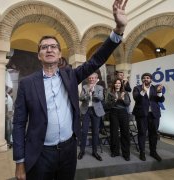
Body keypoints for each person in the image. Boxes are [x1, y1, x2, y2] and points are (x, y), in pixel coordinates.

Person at [12, 0, 128, 179]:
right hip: (40, 153)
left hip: (68, 151)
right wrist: (20, 161)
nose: (49, 49)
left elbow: (96, 60)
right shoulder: (27, 83)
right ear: (39, 55)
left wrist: (118, 29)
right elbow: (19, 124)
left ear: (59, 55)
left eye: (53, 47)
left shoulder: (71, 77)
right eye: (44, 47)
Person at [132, 73, 165, 162]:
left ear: (151, 79)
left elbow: (161, 100)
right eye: (144, 78)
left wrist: (159, 92)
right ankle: (142, 152)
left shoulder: (155, 88)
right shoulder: (137, 88)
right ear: (142, 80)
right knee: (142, 133)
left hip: (154, 115)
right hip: (142, 114)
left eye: (148, 78)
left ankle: (153, 151)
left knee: (153, 133)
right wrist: (143, 91)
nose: (146, 79)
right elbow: (136, 99)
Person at [78, 73, 105, 161]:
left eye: (93, 78)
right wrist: (88, 92)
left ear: (96, 78)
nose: (91, 79)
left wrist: (93, 92)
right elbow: (81, 98)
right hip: (86, 111)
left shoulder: (99, 88)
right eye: (90, 78)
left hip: (96, 111)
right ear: (88, 79)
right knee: (84, 131)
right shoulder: (85, 87)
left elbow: (101, 98)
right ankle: (82, 151)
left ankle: (95, 152)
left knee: (95, 132)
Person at [105, 78, 130, 161]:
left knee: (125, 133)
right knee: (114, 133)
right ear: (114, 84)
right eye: (116, 83)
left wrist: (122, 99)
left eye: (119, 83)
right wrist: (115, 100)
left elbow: (128, 103)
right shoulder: (110, 93)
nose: (117, 84)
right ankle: (115, 152)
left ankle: (126, 153)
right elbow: (107, 105)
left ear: (121, 84)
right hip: (113, 113)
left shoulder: (125, 92)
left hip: (123, 113)